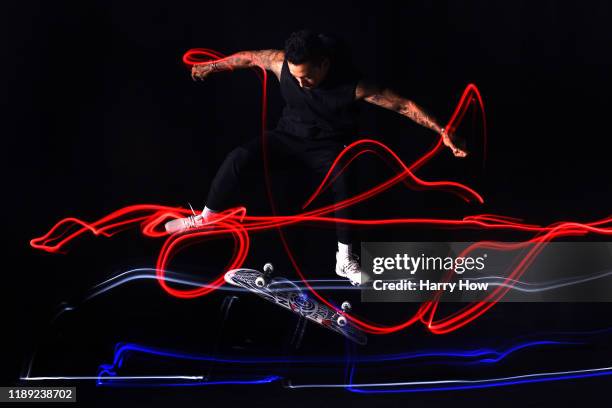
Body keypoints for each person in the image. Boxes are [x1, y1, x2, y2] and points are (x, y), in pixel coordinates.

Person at [165, 29, 466, 285]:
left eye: (307, 77)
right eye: (296, 78)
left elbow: (402, 105)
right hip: (287, 138)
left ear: (324, 65)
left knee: (345, 179)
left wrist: (442, 131)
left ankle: (345, 260)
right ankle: (207, 218)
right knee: (238, 157)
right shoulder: (280, 62)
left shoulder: (353, 85)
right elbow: (249, 57)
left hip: (328, 148)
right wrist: (211, 66)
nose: (301, 83)